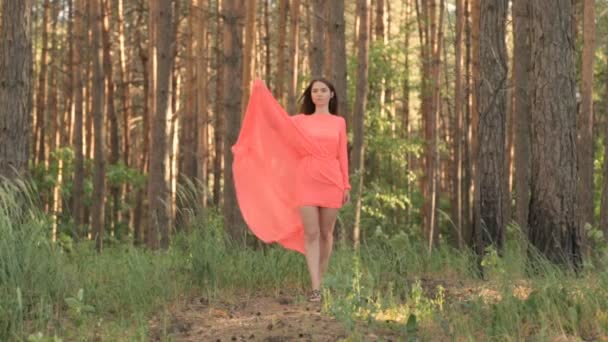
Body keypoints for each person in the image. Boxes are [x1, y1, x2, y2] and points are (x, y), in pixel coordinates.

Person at [231, 78, 351, 303]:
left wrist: (346, 184)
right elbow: (274, 123)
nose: (319, 94)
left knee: (326, 233)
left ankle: (321, 279)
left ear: (331, 95)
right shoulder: (299, 121)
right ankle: (315, 287)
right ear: (311, 95)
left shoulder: (339, 123)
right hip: (306, 180)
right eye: (315, 91)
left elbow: (342, 155)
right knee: (311, 233)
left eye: (323, 90)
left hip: (332, 181)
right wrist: (261, 92)